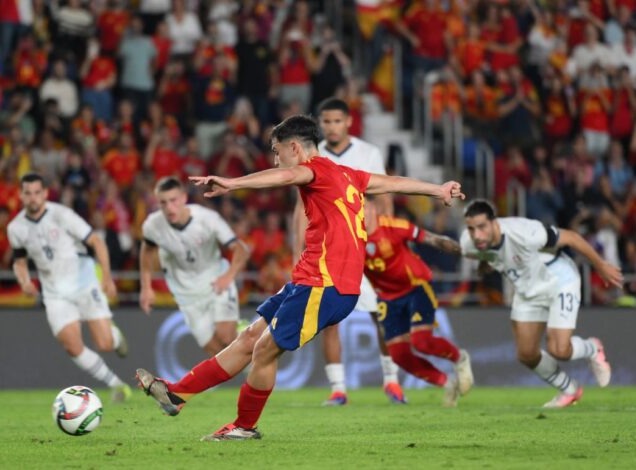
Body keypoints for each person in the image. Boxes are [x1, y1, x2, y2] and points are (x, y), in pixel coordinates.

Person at [135, 115, 464, 441]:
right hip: (308, 281)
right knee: (249, 339)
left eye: (278, 152)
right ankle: (177, 395)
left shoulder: (313, 170)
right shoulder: (348, 174)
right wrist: (437, 189)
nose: (276, 160)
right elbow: (392, 183)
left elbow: (287, 175)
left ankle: (243, 427)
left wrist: (233, 183)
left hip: (325, 285)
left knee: (264, 350)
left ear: (295, 147)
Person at [292, 97, 402, 406]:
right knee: (330, 319)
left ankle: (391, 381)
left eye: (337, 121)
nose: (332, 126)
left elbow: (384, 196)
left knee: (381, 314)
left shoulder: (368, 153)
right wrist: (295, 253)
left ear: (349, 122)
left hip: (366, 246)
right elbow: (301, 210)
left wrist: (387, 241)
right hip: (329, 249)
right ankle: (338, 388)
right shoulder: (314, 155)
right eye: (326, 121)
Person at [460, 200, 621, 408]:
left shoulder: (525, 231)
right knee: (526, 354)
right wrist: (485, 260)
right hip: (527, 289)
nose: (476, 234)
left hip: (558, 280)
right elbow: (485, 250)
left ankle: (592, 348)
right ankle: (569, 389)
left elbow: (571, 237)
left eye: (482, 227)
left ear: (494, 223)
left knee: (560, 350)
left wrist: (600, 265)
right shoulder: (470, 242)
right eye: (471, 229)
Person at [7, 173, 132, 402]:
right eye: (28, 193)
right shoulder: (16, 228)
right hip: (54, 293)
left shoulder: (62, 215)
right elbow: (20, 261)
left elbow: (95, 241)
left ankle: (114, 335)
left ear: (45, 193)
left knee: (104, 344)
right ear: (21, 195)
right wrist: (24, 281)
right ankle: (116, 384)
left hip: (83, 283)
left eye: (37, 192)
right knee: (72, 346)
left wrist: (106, 276)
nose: (33, 198)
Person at [362, 199, 472, 407]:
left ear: (373, 210)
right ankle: (447, 383)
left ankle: (460, 359)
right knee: (399, 355)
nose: (361, 216)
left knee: (421, 342)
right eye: (356, 212)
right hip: (387, 297)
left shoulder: (394, 227)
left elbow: (431, 239)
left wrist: (463, 250)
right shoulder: (352, 239)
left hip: (416, 287)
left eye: (364, 210)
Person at [139, 176, 250, 356]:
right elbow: (147, 250)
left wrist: (228, 277)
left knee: (226, 337)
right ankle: (244, 341)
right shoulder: (153, 225)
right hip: (186, 294)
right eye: (163, 203)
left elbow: (240, 249)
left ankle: (239, 330)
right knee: (215, 350)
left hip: (216, 281)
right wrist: (146, 287)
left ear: (183, 198)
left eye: (173, 200)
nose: (169, 208)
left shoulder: (208, 219)